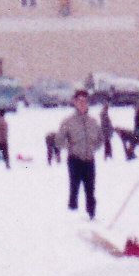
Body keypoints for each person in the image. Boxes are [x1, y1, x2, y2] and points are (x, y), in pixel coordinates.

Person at [56, 89, 100, 219]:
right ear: (75, 102)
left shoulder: (93, 121)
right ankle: (72, 216)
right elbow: (59, 140)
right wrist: (70, 147)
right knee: (74, 189)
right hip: (75, 160)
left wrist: (93, 147)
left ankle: (91, 215)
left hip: (89, 159)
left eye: (85, 101)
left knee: (90, 190)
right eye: (79, 101)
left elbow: (100, 139)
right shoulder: (68, 121)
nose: (82, 104)